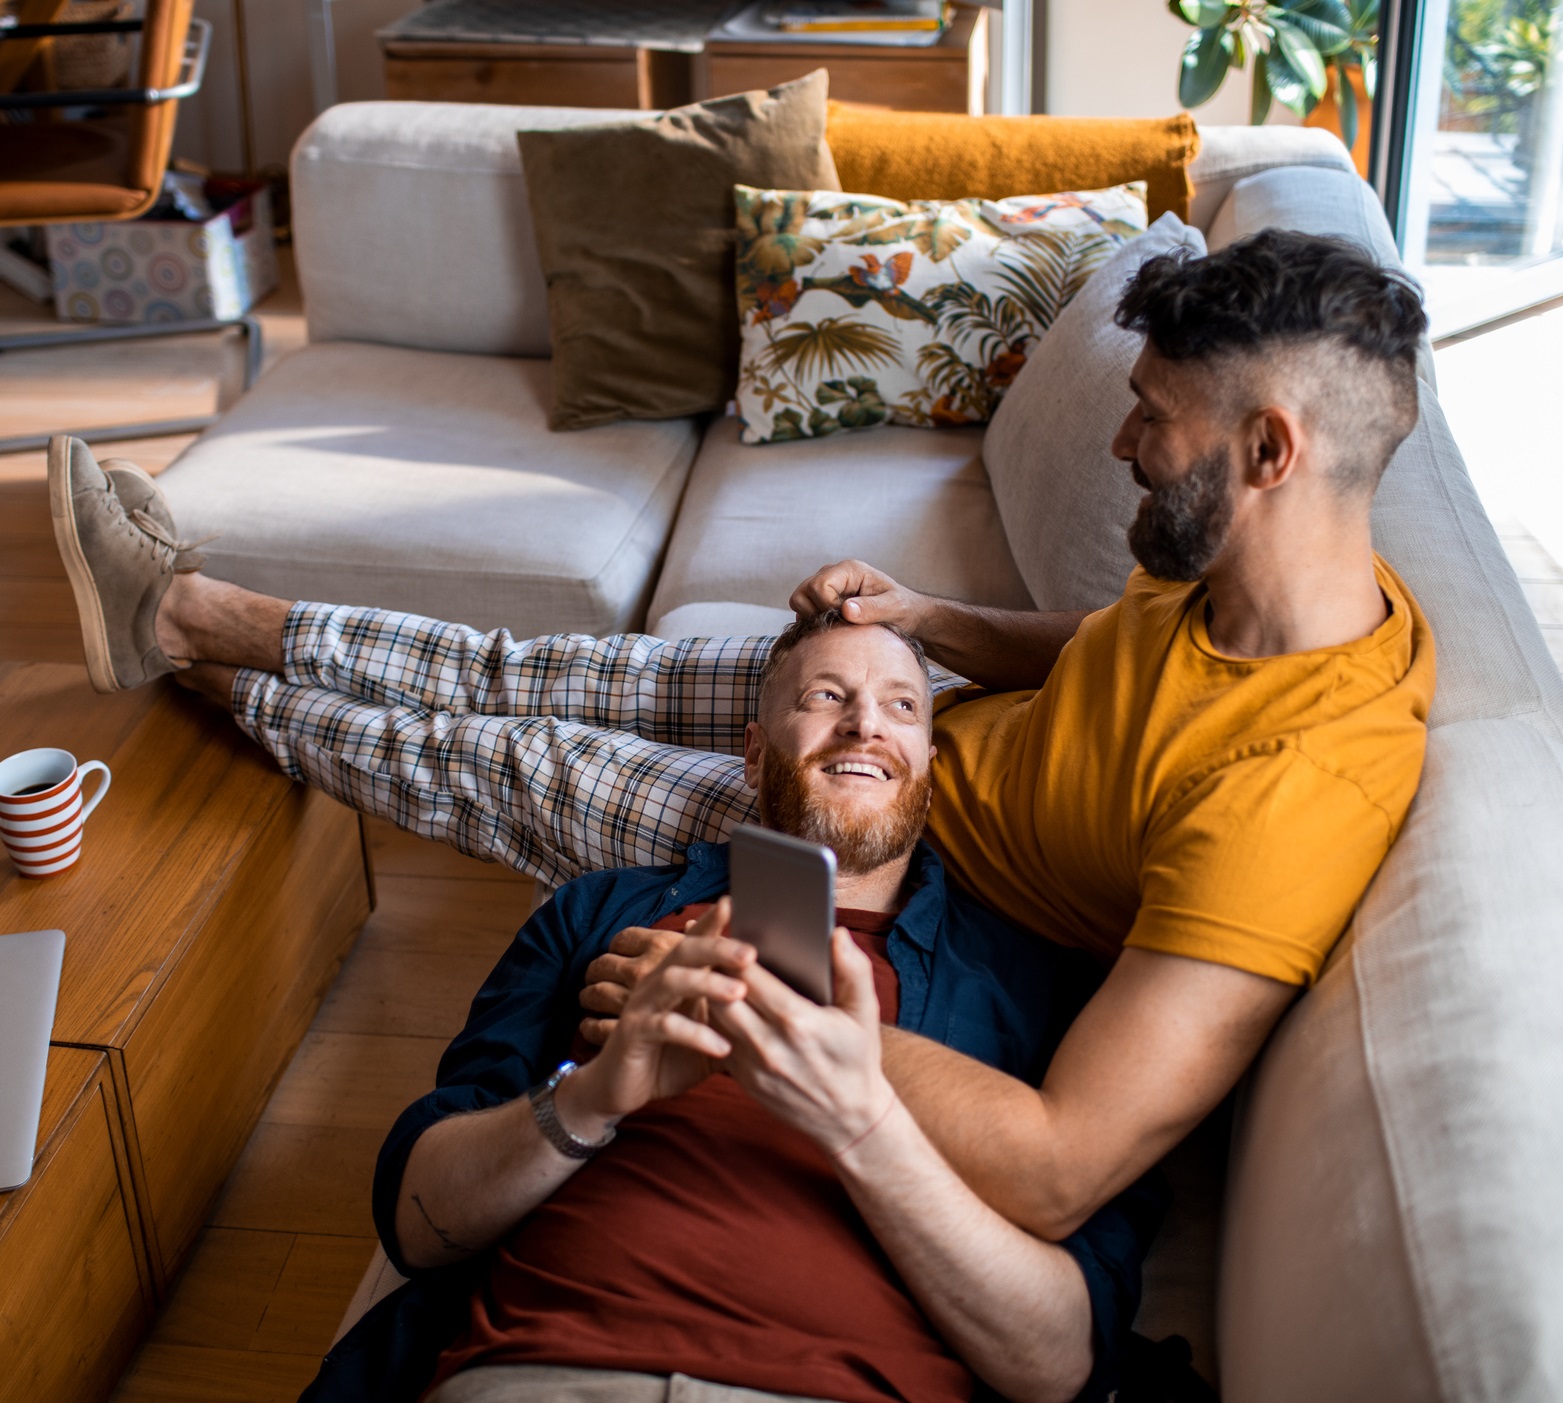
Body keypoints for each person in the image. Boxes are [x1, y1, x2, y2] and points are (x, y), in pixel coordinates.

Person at [48, 228, 1434, 1249]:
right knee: (542, 670)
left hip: (895, 860)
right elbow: (1105, 652)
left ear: (1268, 450)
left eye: (1156, 420)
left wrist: (773, 990)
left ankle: (188, 661)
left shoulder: (1297, 786)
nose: (1127, 443)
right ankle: (202, 611)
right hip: (921, 725)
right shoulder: (1239, 568)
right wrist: (928, 621)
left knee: (506, 760)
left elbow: (1065, 1162)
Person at [305, 611, 1165, 1403]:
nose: (865, 722)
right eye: (827, 696)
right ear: (755, 754)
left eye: (902, 705)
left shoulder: (1033, 978)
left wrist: (861, 1119)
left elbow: (1060, 1359)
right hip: (544, 1371)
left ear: (930, 765)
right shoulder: (601, 913)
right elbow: (419, 1222)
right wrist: (593, 1093)